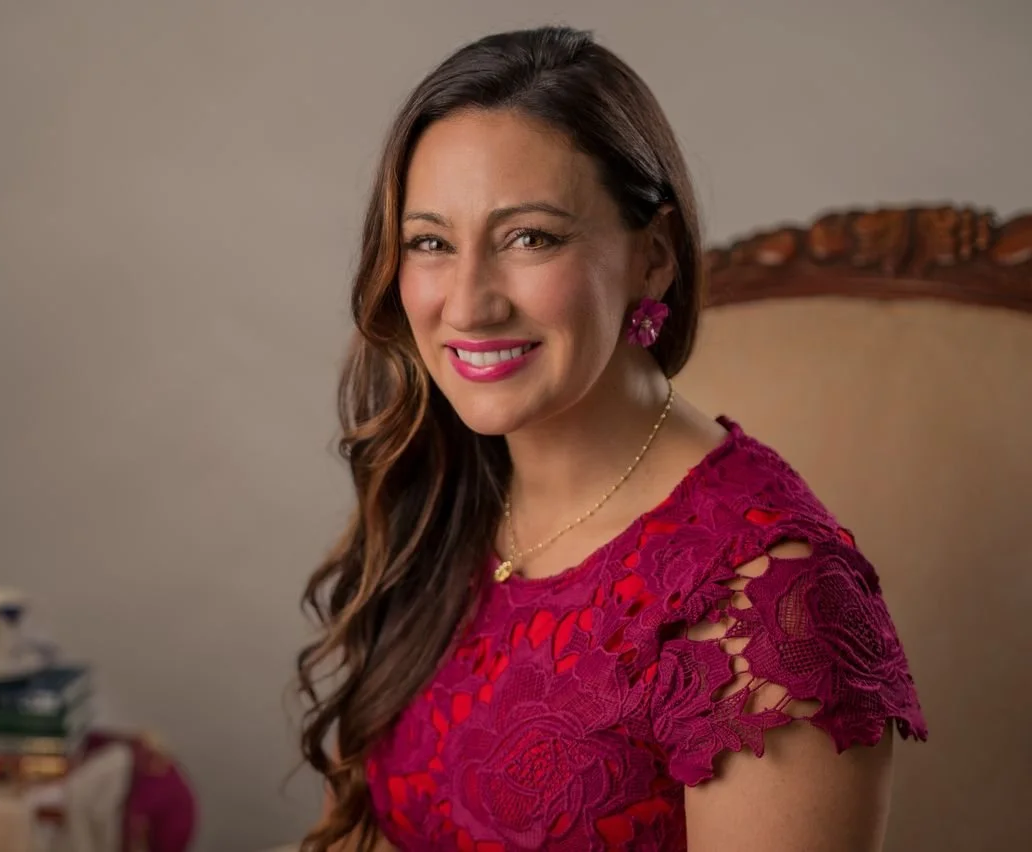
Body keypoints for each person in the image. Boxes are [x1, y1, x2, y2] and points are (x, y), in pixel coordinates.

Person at [296, 26, 926, 852]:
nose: (469, 302)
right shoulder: (457, 487)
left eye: (531, 238)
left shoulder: (771, 606)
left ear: (653, 257)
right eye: (431, 243)